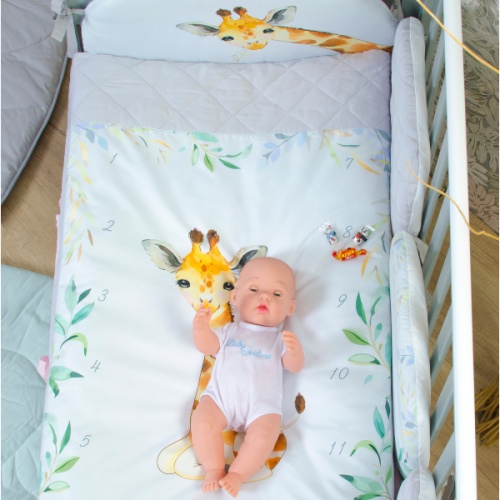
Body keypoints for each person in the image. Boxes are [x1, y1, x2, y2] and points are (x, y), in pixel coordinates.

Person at [191, 257, 304, 497]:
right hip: (220, 400)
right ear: (235, 297)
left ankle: (238, 474)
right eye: (254, 290)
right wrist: (201, 329)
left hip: (261, 408)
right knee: (202, 424)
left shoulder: (279, 340)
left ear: (290, 308)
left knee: (264, 437)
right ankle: (213, 469)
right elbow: (207, 346)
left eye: (277, 294)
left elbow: (293, 366)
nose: (264, 297)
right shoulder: (229, 331)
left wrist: (295, 352)